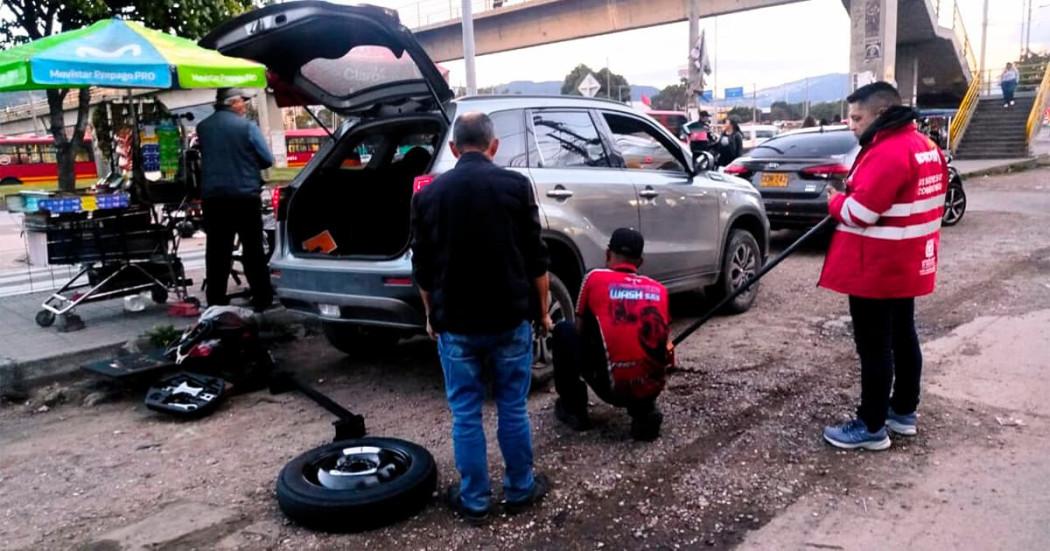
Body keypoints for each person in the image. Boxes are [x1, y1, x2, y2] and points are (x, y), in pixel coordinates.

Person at [410, 112, 552, 524]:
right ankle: (521, 488)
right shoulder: (515, 186)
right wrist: (541, 313)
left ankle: (474, 499)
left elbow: (422, 267)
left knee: (466, 412)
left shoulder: (428, 195)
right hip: (509, 318)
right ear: (494, 146)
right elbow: (536, 259)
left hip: (455, 321)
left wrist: (430, 314)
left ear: (453, 149)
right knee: (512, 406)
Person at [819, 81, 948, 451]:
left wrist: (835, 202)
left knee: (875, 347)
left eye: (858, 118)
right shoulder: (926, 147)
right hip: (907, 262)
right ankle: (903, 412)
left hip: (876, 268)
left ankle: (871, 425)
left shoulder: (888, 152)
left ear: (881, 113)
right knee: (905, 337)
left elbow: (860, 213)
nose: (853, 125)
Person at [551, 228, 672, 442]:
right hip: (651, 386)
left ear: (608, 254)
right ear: (640, 262)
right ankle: (644, 411)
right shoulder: (659, 289)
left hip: (612, 389)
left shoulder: (594, 278)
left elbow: (578, 330)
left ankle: (574, 409)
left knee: (564, 331)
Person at [196, 88, 274, 311]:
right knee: (252, 249)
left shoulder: (204, 127)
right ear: (232, 103)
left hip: (213, 198)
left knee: (217, 250)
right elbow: (267, 159)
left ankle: (216, 300)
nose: (244, 106)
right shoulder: (247, 126)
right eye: (242, 102)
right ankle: (261, 298)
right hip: (244, 196)